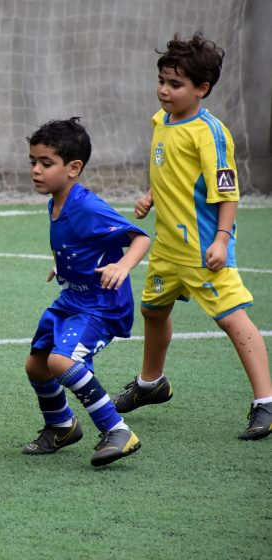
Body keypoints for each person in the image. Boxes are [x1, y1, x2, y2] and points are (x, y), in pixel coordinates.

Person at [112, 32, 272, 440]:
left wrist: (221, 239)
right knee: (152, 310)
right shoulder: (161, 121)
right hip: (167, 246)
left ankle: (266, 403)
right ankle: (151, 384)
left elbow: (226, 190)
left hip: (203, 249)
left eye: (175, 84)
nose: (164, 90)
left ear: (201, 89)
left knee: (232, 319)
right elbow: (173, 172)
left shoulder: (211, 133)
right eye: (162, 80)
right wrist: (152, 194)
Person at [23, 117, 151, 466]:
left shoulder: (88, 206)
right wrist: (64, 266)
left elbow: (140, 238)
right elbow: (79, 244)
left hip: (100, 306)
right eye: (33, 161)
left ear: (73, 168)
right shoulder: (56, 201)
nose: (36, 170)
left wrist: (122, 266)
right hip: (71, 299)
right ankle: (62, 426)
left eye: (46, 163)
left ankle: (118, 430)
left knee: (62, 361)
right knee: (36, 366)